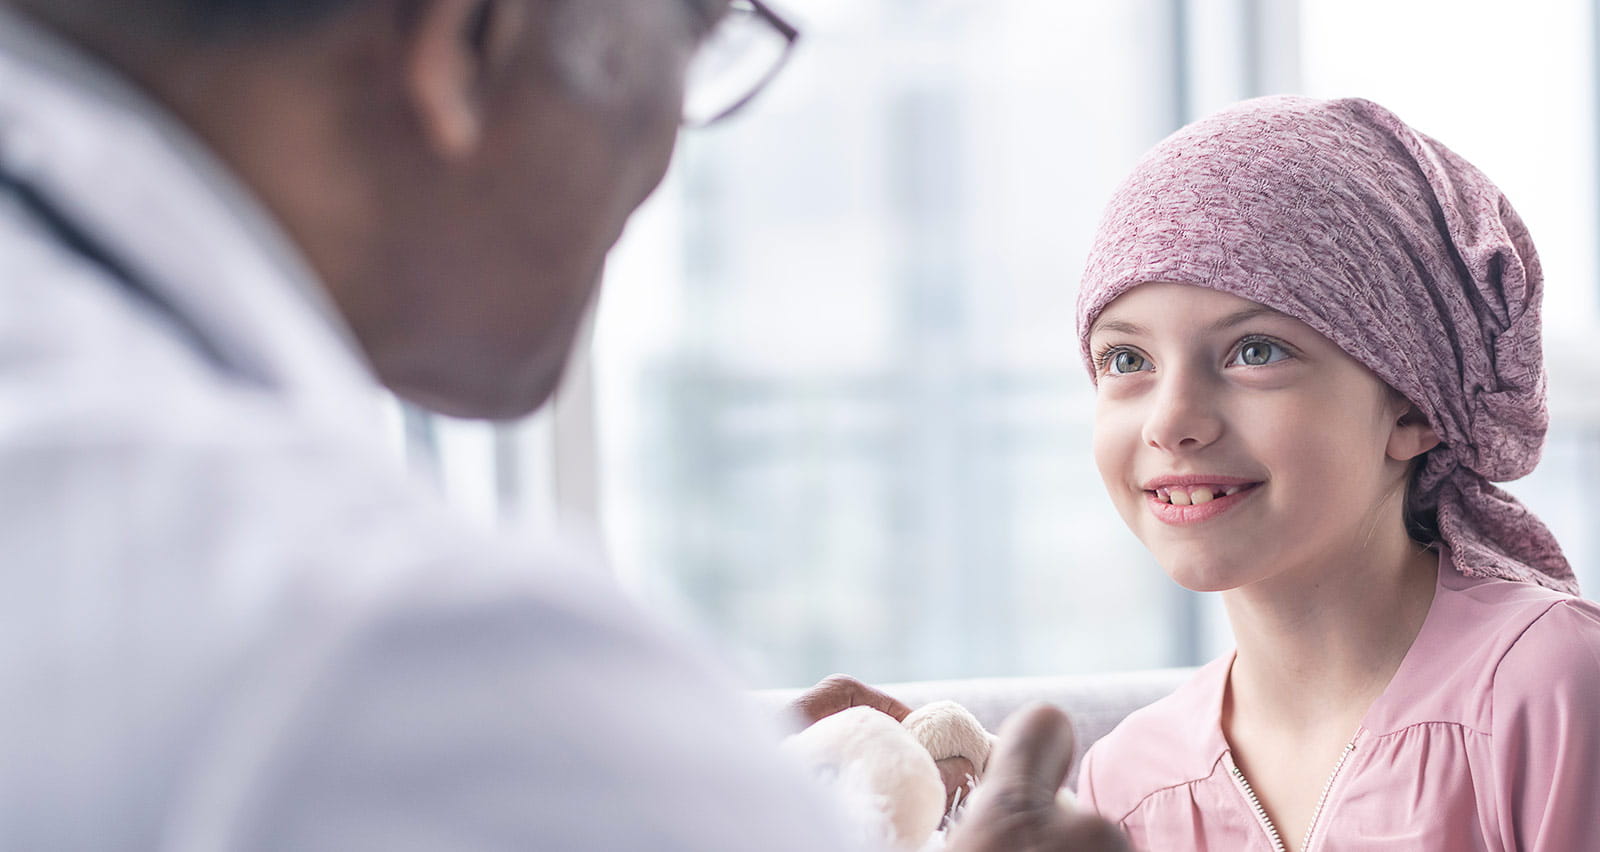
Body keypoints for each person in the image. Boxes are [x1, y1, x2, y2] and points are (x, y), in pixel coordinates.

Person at [0, 0, 1127, 849]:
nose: (671, 150)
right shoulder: (389, 658)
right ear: (472, 38)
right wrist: (626, 764)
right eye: (693, 42)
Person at [1072, 95, 1600, 850]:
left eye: (1255, 351)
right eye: (1128, 361)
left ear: (1414, 406)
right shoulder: (1123, 788)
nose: (1170, 421)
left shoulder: (1552, 692)